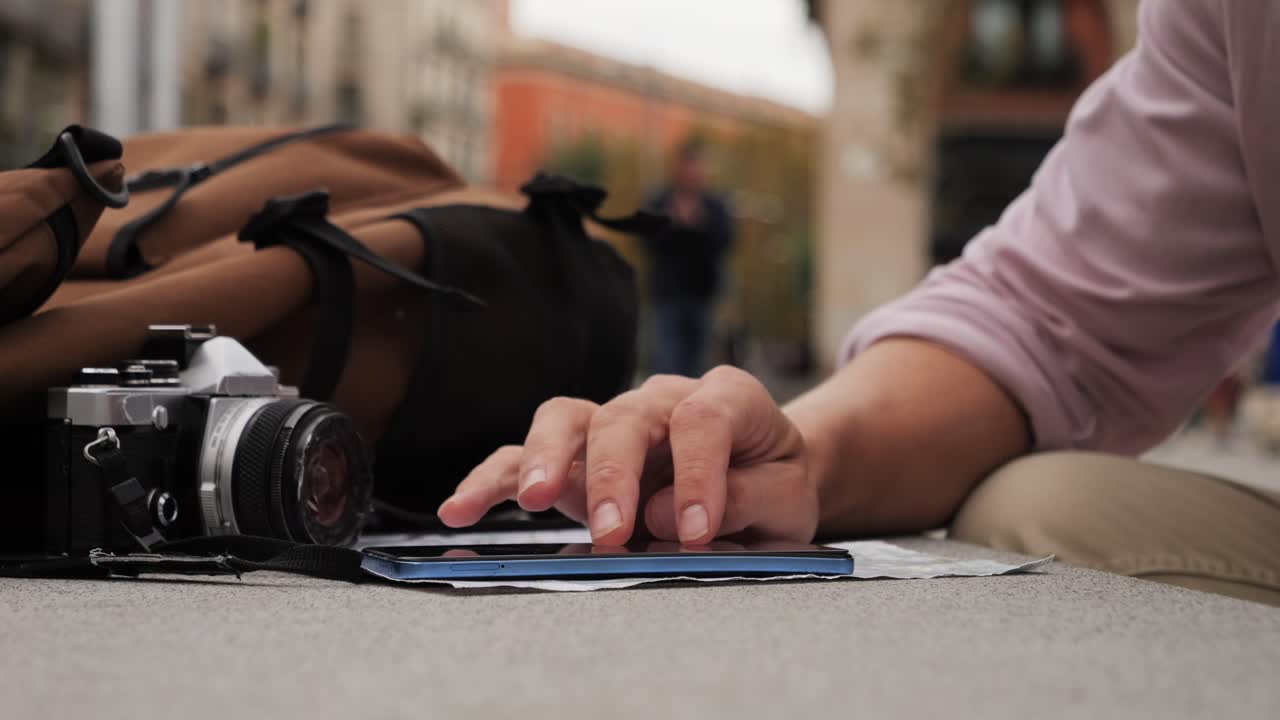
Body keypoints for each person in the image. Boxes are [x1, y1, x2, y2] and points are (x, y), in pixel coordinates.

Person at [439, 0, 1280, 605]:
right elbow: (1048, 319)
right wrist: (798, 454)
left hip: (692, 299)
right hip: (683, 302)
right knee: (1040, 508)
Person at [641, 141, 735, 377]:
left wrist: (699, 224)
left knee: (697, 368)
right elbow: (646, 242)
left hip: (702, 297)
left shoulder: (714, 206)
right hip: (667, 296)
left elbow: (726, 242)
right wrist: (673, 224)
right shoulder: (659, 201)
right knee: (666, 365)